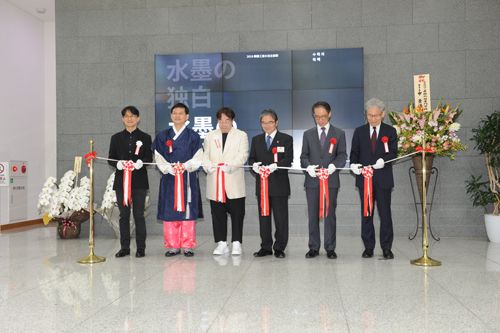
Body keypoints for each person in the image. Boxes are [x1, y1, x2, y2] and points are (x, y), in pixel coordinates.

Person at [151, 103, 203, 257]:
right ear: (171, 115)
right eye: (175, 113)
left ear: (187, 116)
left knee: (187, 210)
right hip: (169, 178)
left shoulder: (194, 136)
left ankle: (188, 245)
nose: (177, 116)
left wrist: (185, 166)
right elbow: (158, 156)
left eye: (181, 113)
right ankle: (173, 245)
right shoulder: (162, 136)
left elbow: (198, 157)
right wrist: (170, 169)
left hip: (187, 178)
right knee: (170, 211)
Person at [350, 98, 398, 259]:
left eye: (376, 115)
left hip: (383, 179)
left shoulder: (390, 131)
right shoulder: (359, 131)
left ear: (383, 114)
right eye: (369, 115)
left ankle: (386, 247)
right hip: (365, 179)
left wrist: (383, 161)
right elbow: (354, 152)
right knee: (367, 213)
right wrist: (354, 165)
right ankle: (368, 247)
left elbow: (393, 153)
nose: (373, 118)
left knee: (385, 214)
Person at [300, 101, 347, 259]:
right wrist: (309, 167)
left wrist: (334, 166)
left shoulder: (339, 133)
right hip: (313, 181)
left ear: (330, 114)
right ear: (313, 115)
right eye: (317, 116)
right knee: (312, 215)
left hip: (331, 180)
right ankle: (313, 247)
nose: (320, 120)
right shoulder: (308, 134)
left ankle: (330, 247)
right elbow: (303, 156)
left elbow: (342, 155)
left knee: (329, 215)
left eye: (323, 116)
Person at [202, 107, 249, 255]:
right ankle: (221, 243)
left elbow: (243, 155)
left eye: (227, 121)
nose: (223, 124)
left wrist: (231, 166)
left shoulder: (241, 135)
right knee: (217, 214)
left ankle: (236, 243)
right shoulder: (210, 136)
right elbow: (205, 155)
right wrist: (207, 166)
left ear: (232, 120)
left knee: (237, 214)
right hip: (215, 181)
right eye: (221, 121)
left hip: (233, 180)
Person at [108, 106, 152, 258]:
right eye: (126, 116)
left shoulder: (146, 138)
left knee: (139, 215)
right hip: (122, 183)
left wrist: (141, 162)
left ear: (138, 118)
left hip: (139, 182)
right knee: (124, 215)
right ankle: (124, 247)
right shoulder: (116, 138)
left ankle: (141, 248)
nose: (130, 118)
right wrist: (117, 164)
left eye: (133, 116)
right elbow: (110, 157)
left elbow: (149, 158)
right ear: (122, 119)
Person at [249, 109, 293, 259]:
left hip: (279, 185)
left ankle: (280, 247)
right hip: (262, 186)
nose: (266, 125)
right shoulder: (256, 139)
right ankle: (265, 247)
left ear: (276, 122)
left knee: (281, 219)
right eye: (263, 122)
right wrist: (254, 165)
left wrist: (276, 166)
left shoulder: (286, 139)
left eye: (270, 122)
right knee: (264, 217)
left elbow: (288, 159)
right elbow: (251, 158)